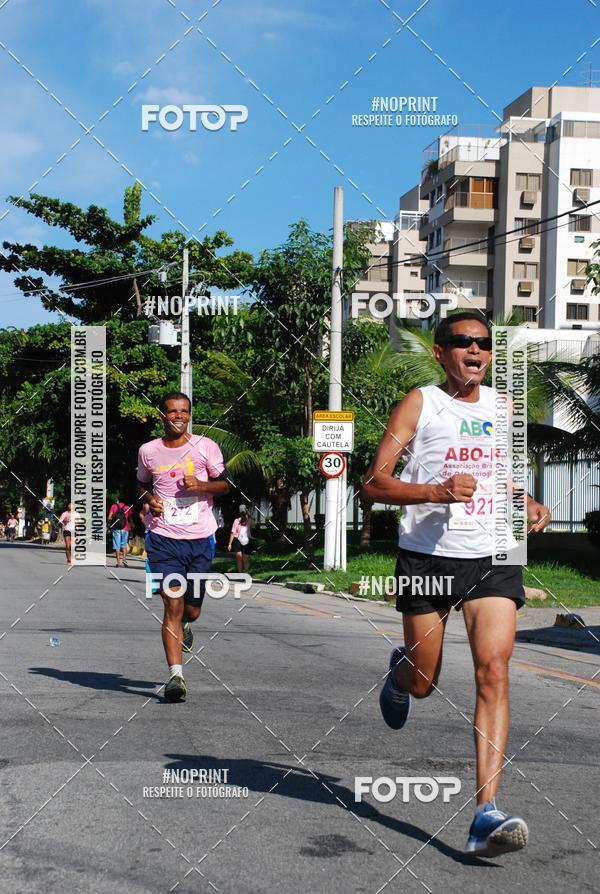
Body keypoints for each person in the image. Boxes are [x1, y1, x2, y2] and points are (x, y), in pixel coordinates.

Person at [361, 312, 551, 859]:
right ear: (441, 352)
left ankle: (485, 812)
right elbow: (373, 482)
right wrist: (435, 492)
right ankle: (401, 677)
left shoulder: (503, 407)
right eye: (463, 342)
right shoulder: (419, 402)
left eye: (484, 344)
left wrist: (528, 502)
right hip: (428, 556)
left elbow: (506, 476)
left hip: (494, 554)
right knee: (425, 680)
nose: (475, 350)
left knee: (493, 670)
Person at [136, 392, 230, 703]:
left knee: (192, 609)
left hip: (200, 539)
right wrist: (150, 500)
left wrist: (202, 486)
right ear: (162, 415)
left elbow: (226, 484)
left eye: (184, 411)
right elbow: (140, 483)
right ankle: (176, 676)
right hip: (163, 539)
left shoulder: (205, 447)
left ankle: (187, 624)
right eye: (172, 411)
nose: (179, 416)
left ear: (189, 415)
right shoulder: (148, 451)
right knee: (172, 605)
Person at [228, 504, 253, 572]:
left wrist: (230, 544)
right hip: (247, 540)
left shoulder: (236, 520)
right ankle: (246, 575)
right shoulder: (250, 520)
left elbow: (233, 533)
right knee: (246, 560)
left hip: (237, 540)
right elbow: (251, 527)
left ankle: (240, 575)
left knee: (239, 559)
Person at [108, 498, 132, 567]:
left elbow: (109, 517)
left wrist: (114, 519)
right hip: (125, 528)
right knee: (124, 544)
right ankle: (124, 559)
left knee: (117, 545)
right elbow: (130, 518)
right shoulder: (127, 507)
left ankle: (118, 562)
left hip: (116, 528)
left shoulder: (114, 506)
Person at [58, 502, 79, 566]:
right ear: (68, 506)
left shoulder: (77, 514)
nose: (70, 506)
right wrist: (64, 521)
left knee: (73, 546)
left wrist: (77, 524)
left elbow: (79, 522)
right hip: (67, 530)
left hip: (74, 531)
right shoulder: (65, 513)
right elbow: (59, 522)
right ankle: (68, 560)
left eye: (72, 505)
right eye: (69, 505)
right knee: (68, 546)